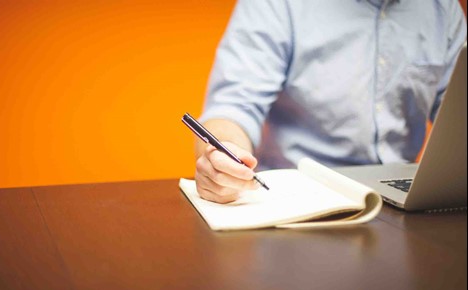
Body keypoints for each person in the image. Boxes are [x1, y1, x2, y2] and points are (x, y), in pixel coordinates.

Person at [194, 0, 467, 203]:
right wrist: (225, 156)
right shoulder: (278, 5)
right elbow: (234, 106)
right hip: (295, 198)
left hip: (405, 199)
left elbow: (458, 115)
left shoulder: (444, 9)